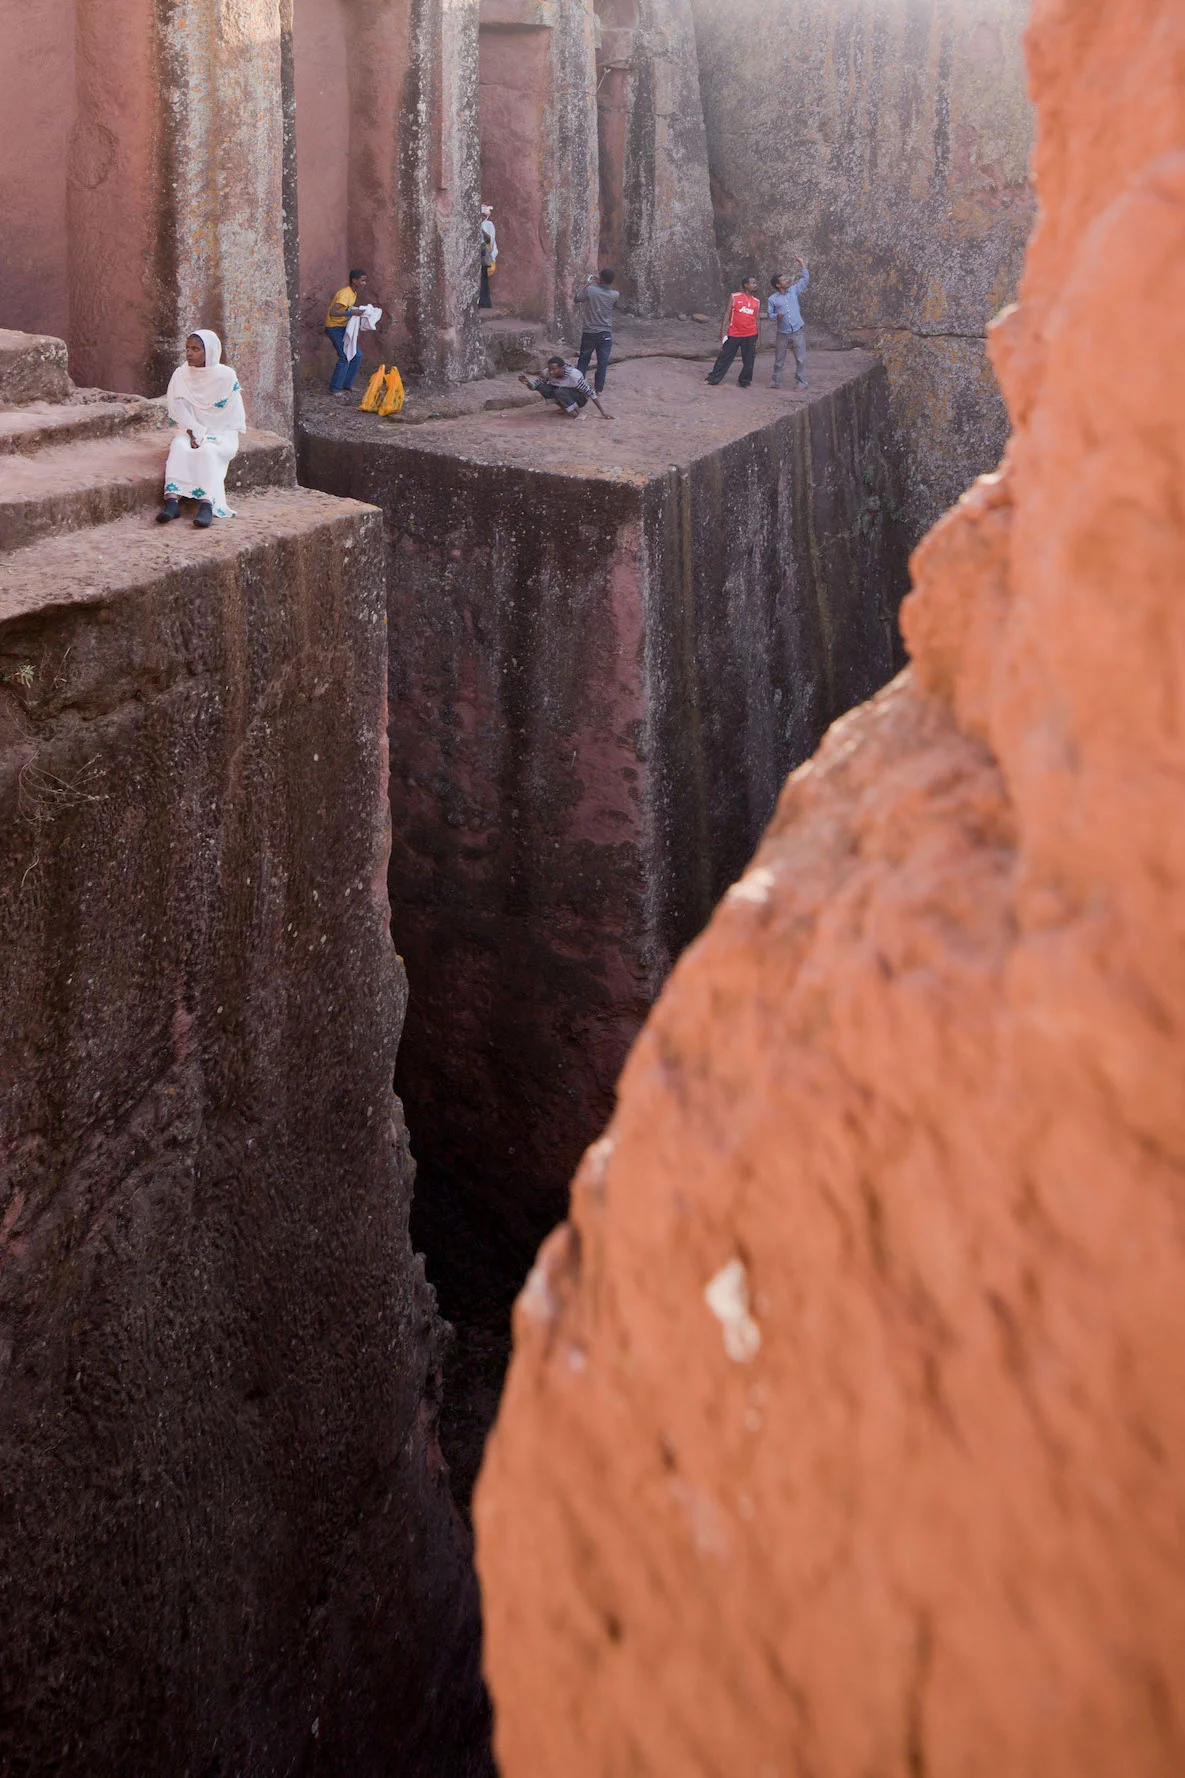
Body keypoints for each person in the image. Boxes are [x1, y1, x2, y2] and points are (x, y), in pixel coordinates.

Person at [157, 330, 247, 528]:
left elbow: (232, 416)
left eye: (196, 349)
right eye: (188, 348)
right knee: (179, 445)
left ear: (210, 352)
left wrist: (206, 435)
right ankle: (172, 503)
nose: (189, 353)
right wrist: (194, 431)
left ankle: (207, 504)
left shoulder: (226, 376)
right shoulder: (181, 374)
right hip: (191, 429)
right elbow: (178, 408)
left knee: (208, 451)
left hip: (221, 433)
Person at [705, 275, 761, 387]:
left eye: (755, 283)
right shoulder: (735, 297)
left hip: (751, 334)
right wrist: (723, 331)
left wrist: (758, 337)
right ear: (746, 285)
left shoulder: (756, 301)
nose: (755, 285)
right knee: (724, 357)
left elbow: (757, 319)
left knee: (749, 360)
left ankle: (744, 382)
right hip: (734, 333)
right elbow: (727, 313)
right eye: (753, 283)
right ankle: (712, 379)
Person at [517, 357, 613, 420]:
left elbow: (590, 393)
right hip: (561, 392)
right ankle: (564, 407)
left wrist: (603, 412)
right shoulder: (546, 373)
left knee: (560, 391)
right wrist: (526, 382)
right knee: (543, 387)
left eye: (554, 369)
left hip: (579, 398)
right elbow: (535, 386)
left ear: (562, 368)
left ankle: (580, 413)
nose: (551, 372)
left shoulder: (574, 376)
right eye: (550, 369)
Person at [573, 268, 620, 394]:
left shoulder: (590, 290)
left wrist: (588, 283)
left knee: (583, 359)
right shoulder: (615, 294)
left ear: (600, 278)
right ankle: (599, 389)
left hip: (590, 332)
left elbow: (577, 298)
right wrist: (601, 282)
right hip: (605, 333)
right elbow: (608, 294)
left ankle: (579, 386)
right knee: (603, 362)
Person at [325, 269, 369, 395]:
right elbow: (333, 312)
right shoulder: (345, 293)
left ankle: (346, 384)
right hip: (334, 328)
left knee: (357, 355)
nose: (364, 283)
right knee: (344, 356)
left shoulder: (353, 293)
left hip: (342, 327)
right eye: (362, 280)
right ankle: (335, 388)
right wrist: (351, 313)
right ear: (354, 280)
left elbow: (346, 309)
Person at [768, 257, 810, 389]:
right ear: (778, 285)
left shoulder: (793, 291)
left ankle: (802, 383)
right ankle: (776, 382)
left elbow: (805, 280)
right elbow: (770, 315)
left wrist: (802, 264)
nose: (787, 281)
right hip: (782, 333)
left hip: (797, 331)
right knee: (779, 361)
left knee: (800, 359)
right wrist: (776, 315)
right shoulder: (772, 299)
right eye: (784, 280)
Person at [480, 207, 497, 310]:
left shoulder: (489, 225)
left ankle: (484, 302)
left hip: (484, 253)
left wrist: (481, 229)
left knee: (483, 278)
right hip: (478, 253)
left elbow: (490, 239)